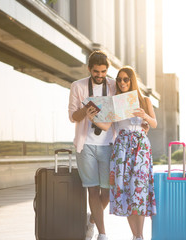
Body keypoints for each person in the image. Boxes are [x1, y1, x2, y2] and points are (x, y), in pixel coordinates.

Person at [88, 66, 157, 240]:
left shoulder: (145, 101)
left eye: (126, 79)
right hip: (122, 149)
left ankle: (139, 236)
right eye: (119, 79)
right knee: (127, 191)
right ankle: (135, 236)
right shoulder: (116, 102)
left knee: (139, 191)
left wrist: (145, 117)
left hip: (141, 148)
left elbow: (154, 124)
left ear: (132, 80)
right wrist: (92, 117)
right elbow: (106, 126)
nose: (122, 82)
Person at [68, 50, 116, 240]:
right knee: (93, 190)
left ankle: (93, 221)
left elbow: (124, 105)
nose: (100, 75)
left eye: (103, 72)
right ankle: (102, 234)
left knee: (108, 192)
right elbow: (72, 117)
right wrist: (86, 110)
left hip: (108, 145)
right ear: (89, 69)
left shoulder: (113, 85)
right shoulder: (77, 86)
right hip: (85, 145)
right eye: (96, 71)